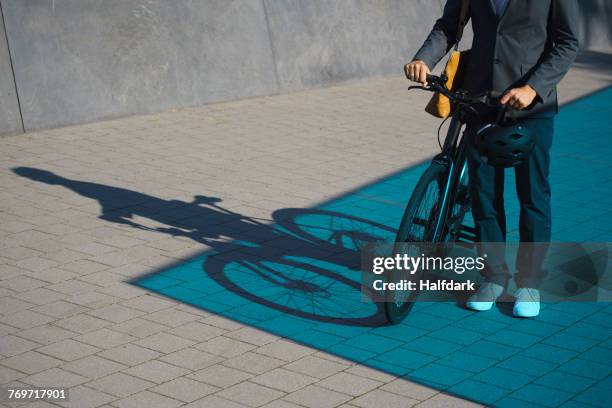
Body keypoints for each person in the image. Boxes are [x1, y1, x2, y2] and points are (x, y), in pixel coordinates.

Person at [405, 0, 580, 317]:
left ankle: (529, 283)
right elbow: (448, 26)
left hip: (531, 108)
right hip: (479, 101)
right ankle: (493, 277)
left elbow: (567, 43)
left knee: (532, 196)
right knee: (484, 195)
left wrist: (533, 88)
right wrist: (423, 58)